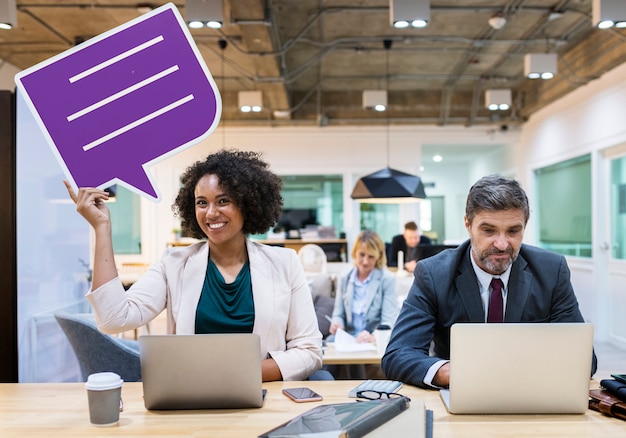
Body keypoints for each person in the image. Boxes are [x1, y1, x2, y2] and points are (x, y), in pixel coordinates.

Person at [64, 149, 323, 382]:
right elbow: (113, 318)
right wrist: (102, 227)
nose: (210, 213)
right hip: (193, 397)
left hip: (262, 395)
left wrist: (240, 374)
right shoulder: (174, 264)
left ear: (248, 204)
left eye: (223, 201)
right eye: (202, 202)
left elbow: (309, 351)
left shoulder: (284, 263)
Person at [381, 174, 597, 389]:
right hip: (463, 393)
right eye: (488, 230)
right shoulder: (433, 274)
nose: (502, 244)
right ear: (468, 225)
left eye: (513, 231)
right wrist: (450, 372)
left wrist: (522, 371)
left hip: (531, 392)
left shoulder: (551, 271)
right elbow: (398, 354)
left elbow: (584, 359)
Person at [327, 230, 398, 379]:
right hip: (348, 337)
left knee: (357, 358)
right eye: (362, 255)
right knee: (326, 348)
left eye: (371, 256)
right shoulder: (345, 278)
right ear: (355, 253)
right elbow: (338, 313)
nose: (365, 261)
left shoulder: (387, 279)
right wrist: (337, 323)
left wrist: (373, 336)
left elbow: (388, 321)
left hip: (372, 339)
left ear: (378, 256)